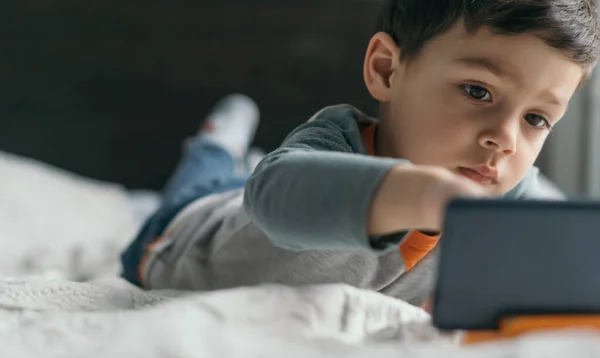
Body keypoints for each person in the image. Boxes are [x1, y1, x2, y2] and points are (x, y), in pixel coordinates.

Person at [122, 0, 600, 308]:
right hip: (186, 231)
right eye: (478, 91)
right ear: (387, 70)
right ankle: (219, 141)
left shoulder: (511, 192)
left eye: (536, 119)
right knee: (206, 179)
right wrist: (421, 194)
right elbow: (274, 193)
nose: (505, 138)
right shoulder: (336, 140)